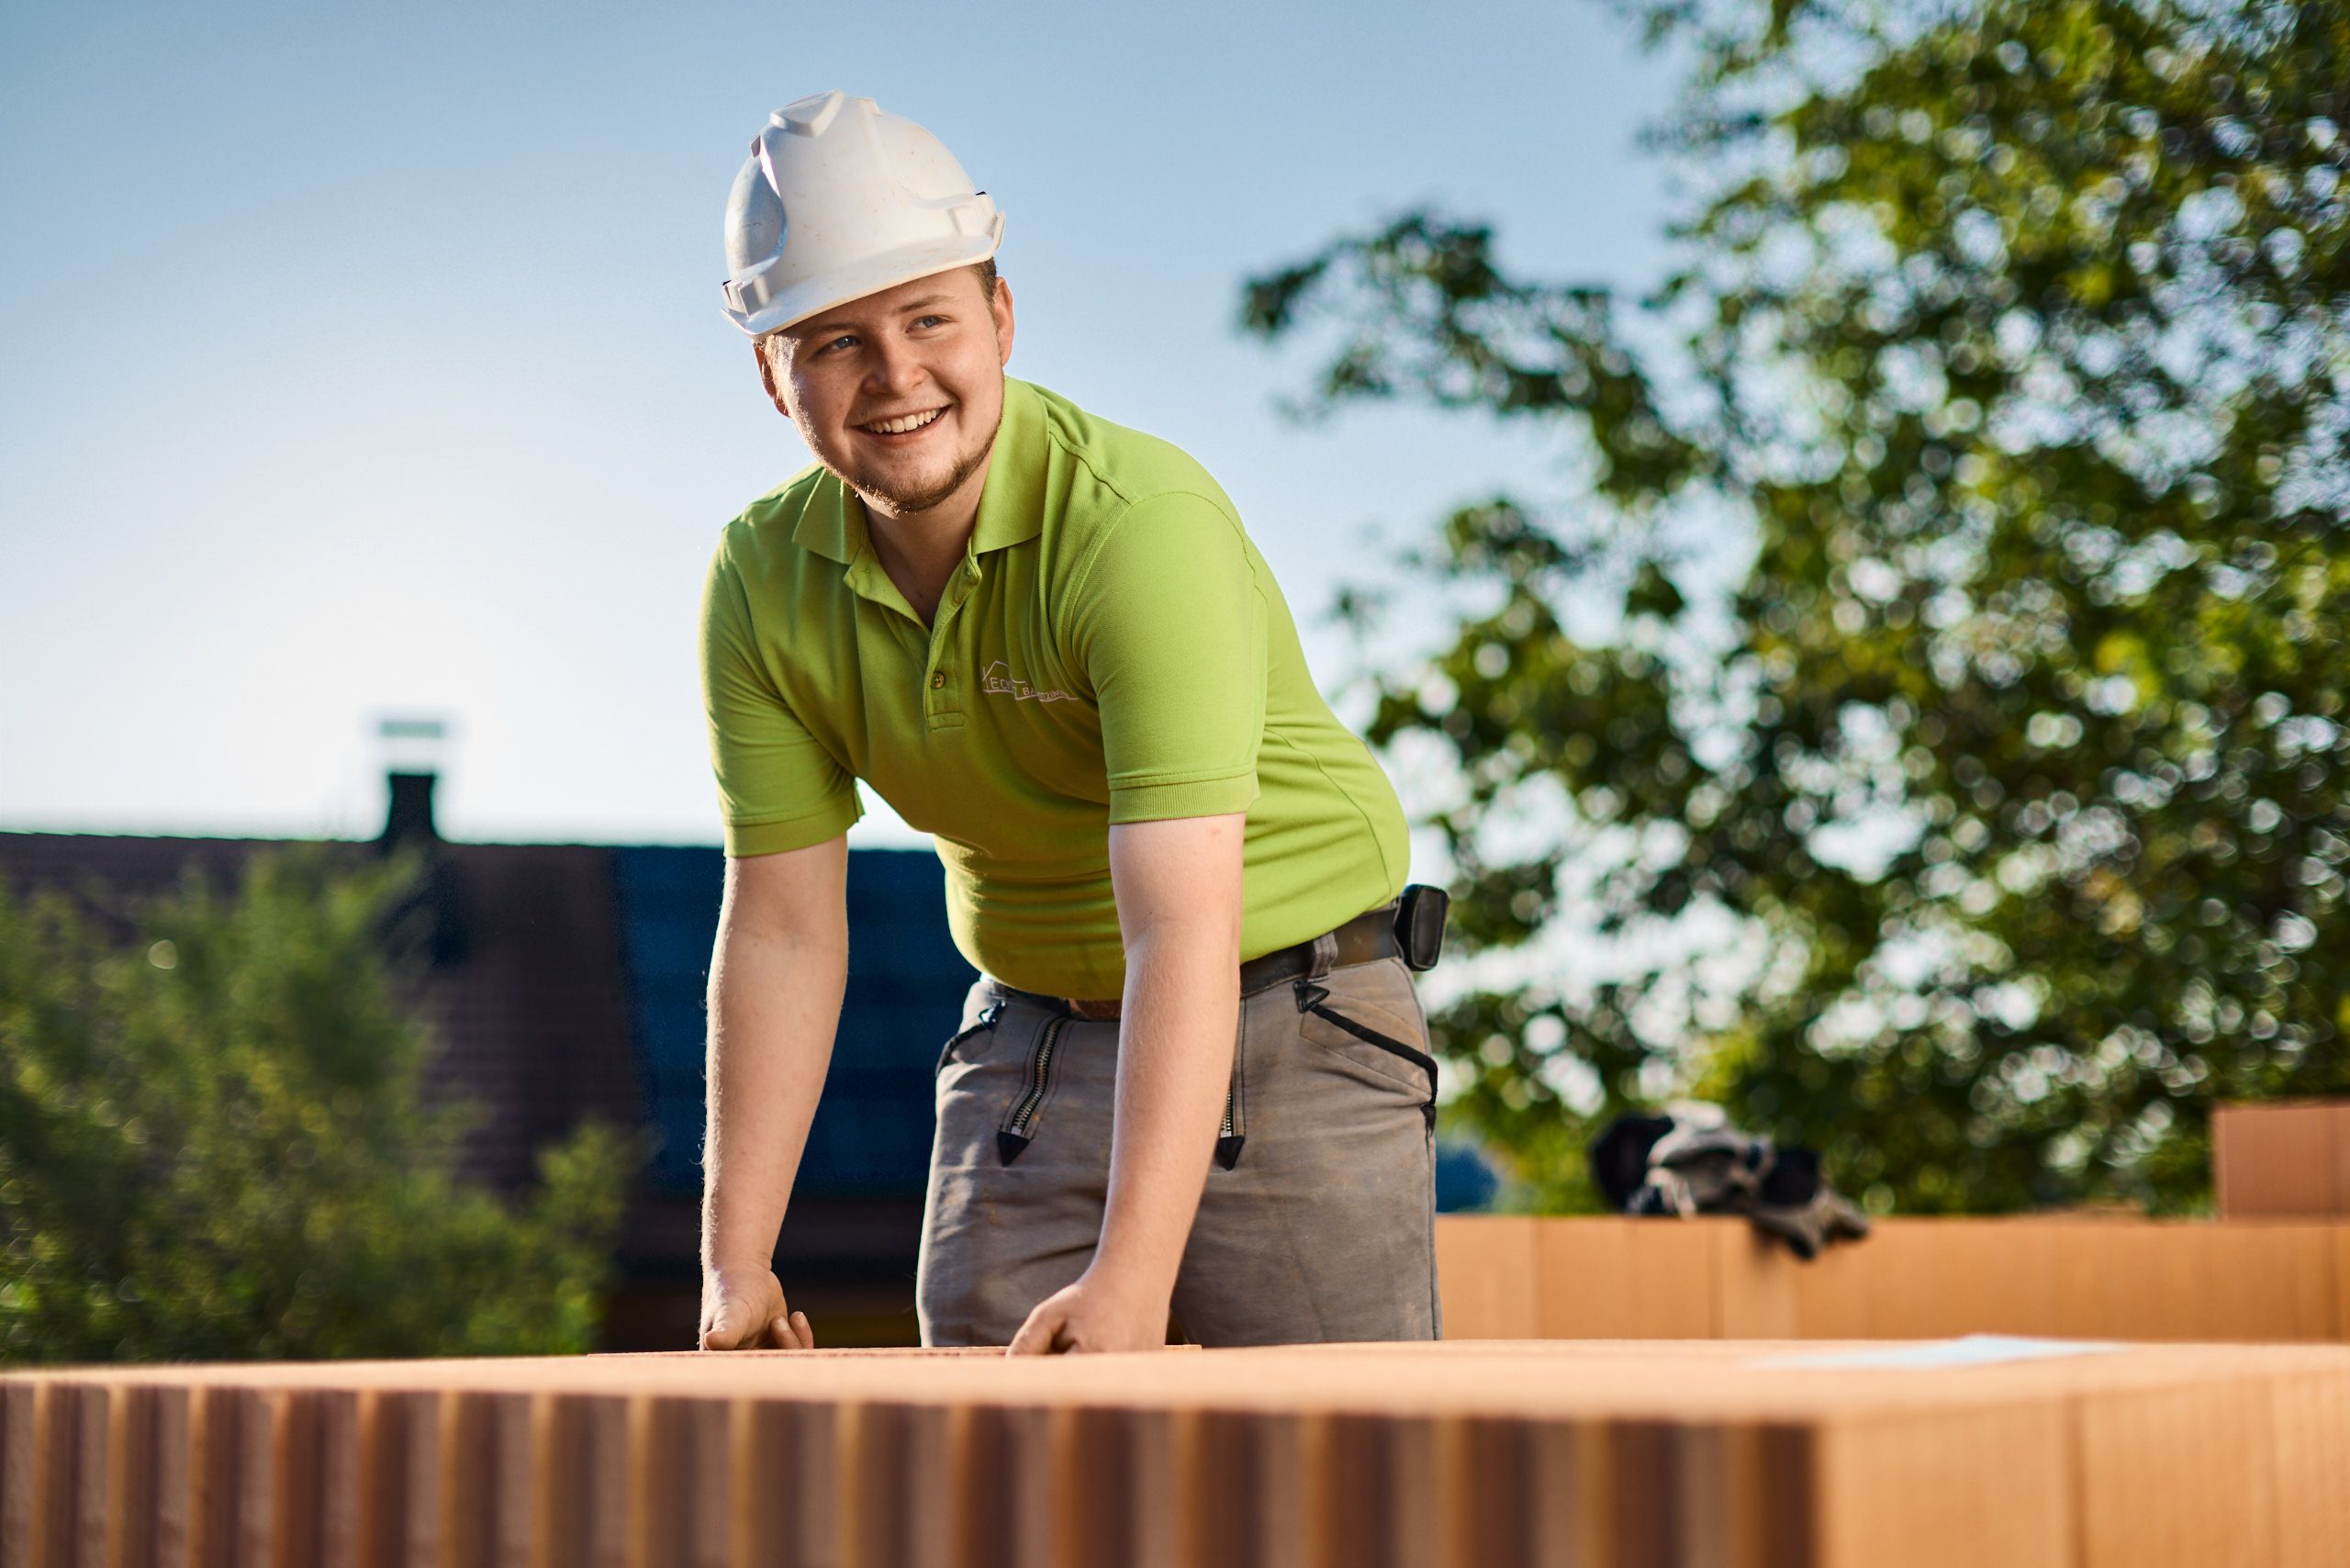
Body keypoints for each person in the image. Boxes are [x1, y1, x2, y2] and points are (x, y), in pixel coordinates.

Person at [695, 91, 1445, 1355]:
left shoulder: (1136, 529)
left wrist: (1132, 1282)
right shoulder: (761, 581)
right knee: (999, 1484)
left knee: (1337, 1479)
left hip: (1290, 1005)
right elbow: (779, 929)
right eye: (833, 342)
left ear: (1000, 315)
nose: (896, 377)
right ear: (772, 375)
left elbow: (1180, 924)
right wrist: (734, 1265)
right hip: (1033, 1034)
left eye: (929, 318)